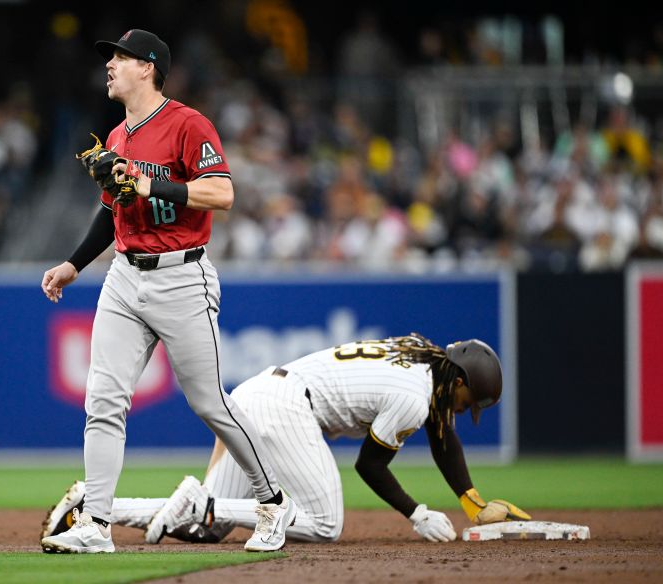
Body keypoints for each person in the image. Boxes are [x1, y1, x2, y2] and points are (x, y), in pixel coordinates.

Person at [39, 29, 294, 554]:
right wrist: (73, 263)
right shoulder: (116, 137)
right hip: (125, 275)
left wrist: (152, 183)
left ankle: (273, 501)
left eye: (120, 57)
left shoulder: (187, 123)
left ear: (148, 67)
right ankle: (96, 525)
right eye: (110, 57)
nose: (109, 64)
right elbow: (114, 211)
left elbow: (222, 193)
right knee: (103, 401)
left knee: (209, 404)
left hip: (182, 275)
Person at [41, 334, 530, 545]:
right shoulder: (414, 392)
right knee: (324, 523)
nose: (463, 410)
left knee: (203, 532)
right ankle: (203, 502)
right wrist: (416, 512)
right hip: (288, 407)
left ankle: (92, 507)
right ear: (459, 380)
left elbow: (441, 436)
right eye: (469, 401)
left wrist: (470, 501)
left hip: (262, 392)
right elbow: (370, 467)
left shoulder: (420, 364)